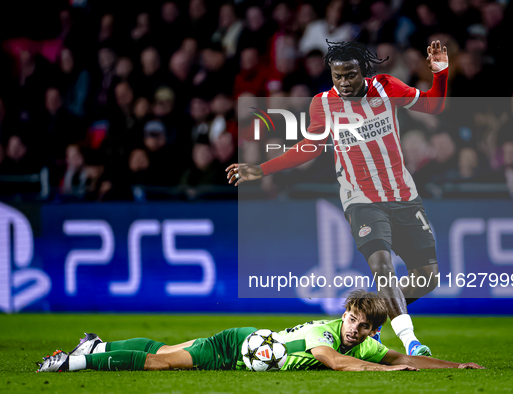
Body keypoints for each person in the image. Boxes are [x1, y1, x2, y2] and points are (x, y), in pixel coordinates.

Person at [226, 39, 450, 357]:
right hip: (360, 198)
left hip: (403, 195)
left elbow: (434, 106)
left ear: (364, 71)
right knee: (383, 267)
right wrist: (262, 169)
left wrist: (440, 71)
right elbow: (310, 145)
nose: (343, 83)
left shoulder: (386, 87)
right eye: (337, 76)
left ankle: (368, 314)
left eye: (350, 75)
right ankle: (411, 342)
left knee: (428, 278)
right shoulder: (324, 103)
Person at [36, 291, 483, 372]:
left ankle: (97, 346)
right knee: (158, 362)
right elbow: (333, 361)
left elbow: (403, 356)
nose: (357, 331)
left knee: (162, 348)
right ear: (345, 311)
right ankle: (70, 363)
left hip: (245, 341)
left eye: (365, 328)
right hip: (234, 348)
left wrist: (453, 365)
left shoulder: (363, 341)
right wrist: (384, 375)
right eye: (354, 321)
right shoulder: (327, 334)